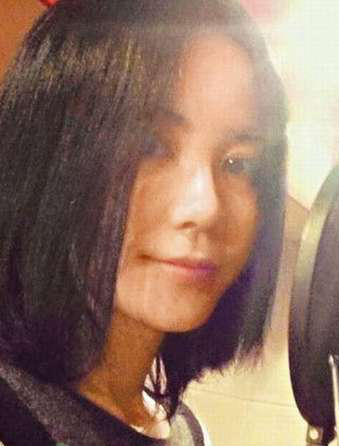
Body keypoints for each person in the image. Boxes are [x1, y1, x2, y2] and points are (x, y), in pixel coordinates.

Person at [0, 0, 288, 444]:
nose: (205, 207)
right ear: (49, 151)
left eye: (238, 163)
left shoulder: (186, 431)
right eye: (150, 146)